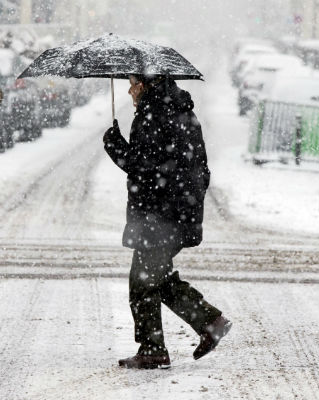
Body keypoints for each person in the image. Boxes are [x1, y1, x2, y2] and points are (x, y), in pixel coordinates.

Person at [103, 74, 231, 369]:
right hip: (177, 212)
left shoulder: (153, 114)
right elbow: (198, 167)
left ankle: (154, 348)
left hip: (159, 216)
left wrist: (115, 146)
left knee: (144, 282)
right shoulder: (181, 111)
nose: (129, 89)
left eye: (133, 82)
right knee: (156, 277)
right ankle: (209, 321)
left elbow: (143, 168)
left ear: (147, 85)